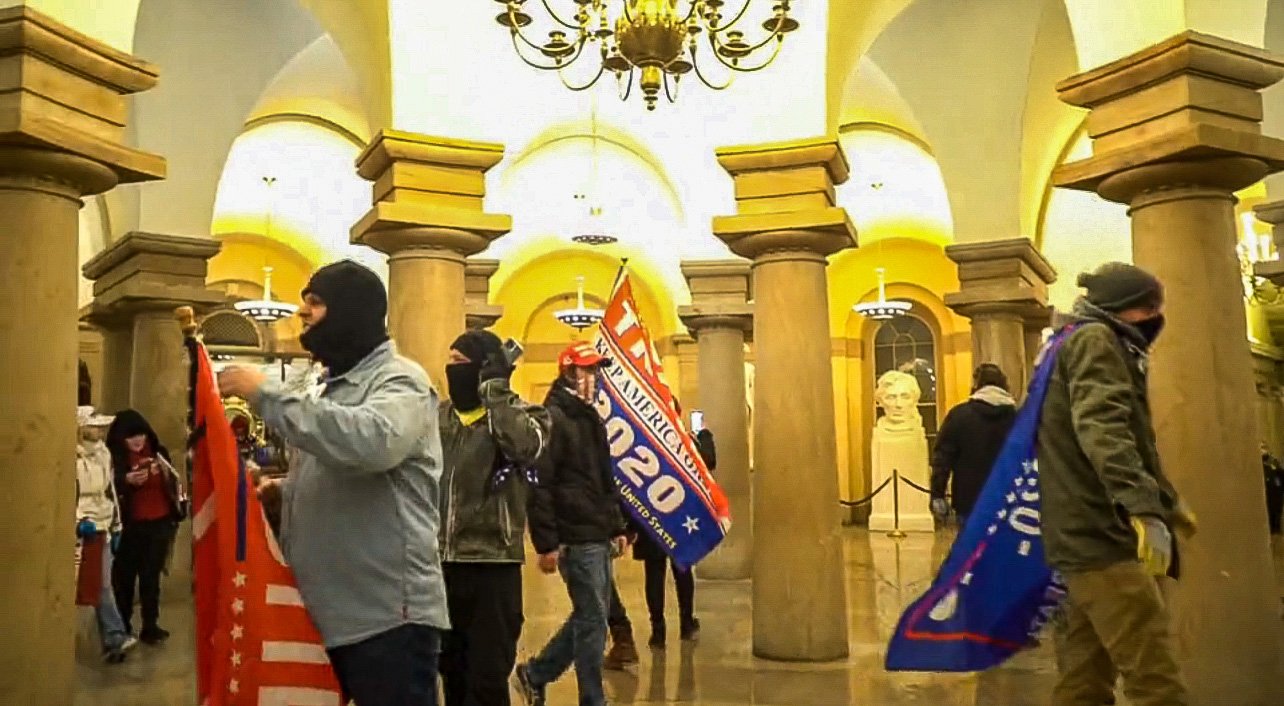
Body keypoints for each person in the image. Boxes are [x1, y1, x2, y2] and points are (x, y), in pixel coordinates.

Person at [218, 259, 448, 706]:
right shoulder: (330, 387)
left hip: (386, 618)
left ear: (350, 312)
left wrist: (264, 393)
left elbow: (373, 443)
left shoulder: (401, 380)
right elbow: (338, 469)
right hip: (326, 612)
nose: (303, 312)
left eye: (316, 302)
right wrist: (285, 493)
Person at [1038, 262, 1196, 706]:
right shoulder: (1097, 340)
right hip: (1103, 535)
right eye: (1150, 308)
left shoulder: (1066, 341)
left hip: (1074, 533)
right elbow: (1104, 430)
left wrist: (1166, 500)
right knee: (1154, 675)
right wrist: (1144, 507)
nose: (1156, 318)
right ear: (1128, 308)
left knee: (1083, 679)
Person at [513, 342, 630, 706]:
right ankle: (592, 698)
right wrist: (546, 543)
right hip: (574, 535)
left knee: (591, 616)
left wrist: (617, 525)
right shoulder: (554, 418)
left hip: (596, 531)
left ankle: (536, 673)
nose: (594, 376)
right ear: (568, 373)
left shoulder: (589, 417)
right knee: (593, 619)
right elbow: (539, 484)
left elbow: (603, 478)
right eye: (587, 369)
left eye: (596, 369)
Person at [437, 329, 550, 706]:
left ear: (486, 368)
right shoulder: (438, 417)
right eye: (450, 361)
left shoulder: (525, 415)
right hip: (442, 565)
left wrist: (496, 391)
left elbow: (526, 447)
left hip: (493, 564)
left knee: (487, 680)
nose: (452, 369)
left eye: (461, 362)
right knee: (451, 674)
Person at [107, 408, 183, 644]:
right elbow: (108, 488)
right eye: (131, 437)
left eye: (141, 434)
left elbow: (173, 483)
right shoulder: (114, 459)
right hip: (130, 527)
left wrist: (166, 475)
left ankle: (150, 625)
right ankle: (123, 626)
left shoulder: (159, 453)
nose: (137, 441)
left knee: (151, 577)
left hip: (159, 523)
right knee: (125, 579)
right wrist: (126, 481)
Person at [76, 407, 137, 663]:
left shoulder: (103, 453)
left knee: (102, 584)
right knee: (96, 586)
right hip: (83, 526)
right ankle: (114, 636)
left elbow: (109, 489)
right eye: (95, 427)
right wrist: (77, 520)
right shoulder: (72, 456)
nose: (100, 431)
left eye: (102, 427)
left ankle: (114, 637)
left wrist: (116, 524)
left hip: (103, 523)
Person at [930, 364, 1018, 526]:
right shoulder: (1018, 419)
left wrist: (938, 494)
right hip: (1009, 500)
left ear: (976, 384)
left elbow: (942, 459)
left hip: (968, 500)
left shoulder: (959, 415)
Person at [1263, 443, 1284, 535]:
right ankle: (1273, 528)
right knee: (1271, 510)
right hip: (1270, 492)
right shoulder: (1262, 465)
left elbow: (1281, 474)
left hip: (1276, 491)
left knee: (1276, 510)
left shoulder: (1273, 462)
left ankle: (1276, 528)